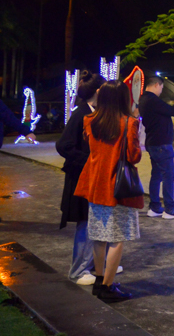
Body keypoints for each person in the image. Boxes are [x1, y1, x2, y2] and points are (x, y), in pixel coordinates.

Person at [73, 81, 142, 303]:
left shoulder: (89, 120)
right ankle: (108, 287)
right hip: (117, 187)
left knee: (99, 237)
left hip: (95, 185)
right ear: (123, 99)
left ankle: (99, 280)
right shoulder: (129, 123)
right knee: (117, 239)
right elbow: (133, 156)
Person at [56, 70, 122, 286]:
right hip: (81, 178)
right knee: (85, 223)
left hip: (94, 178)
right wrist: (90, 159)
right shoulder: (81, 114)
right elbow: (63, 146)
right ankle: (77, 270)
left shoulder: (96, 112)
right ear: (98, 91)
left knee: (96, 221)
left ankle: (97, 265)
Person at [138, 77, 174, 219]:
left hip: (153, 142)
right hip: (161, 144)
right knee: (168, 174)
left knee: (157, 175)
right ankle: (170, 208)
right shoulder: (152, 100)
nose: (161, 91)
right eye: (161, 87)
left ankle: (155, 207)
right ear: (156, 85)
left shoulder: (143, 100)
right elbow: (172, 111)